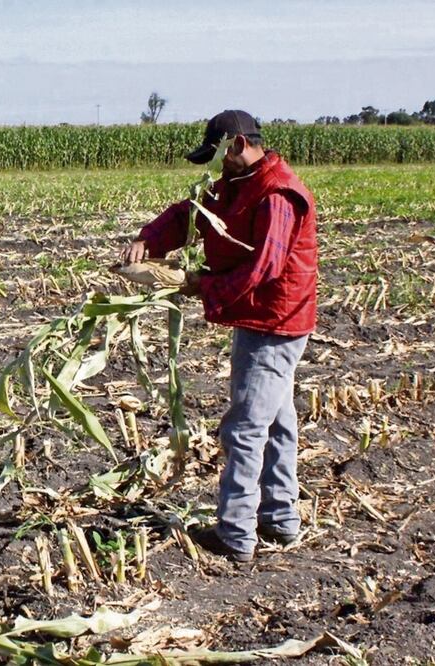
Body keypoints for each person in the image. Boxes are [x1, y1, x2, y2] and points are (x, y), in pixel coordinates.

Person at [122, 110, 318, 563]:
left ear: (237, 145)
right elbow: (191, 215)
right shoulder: (241, 184)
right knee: (277, 421)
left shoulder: (276, 195)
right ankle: (281, 520)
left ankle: (235, 534)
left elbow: (263, 269)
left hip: (275, 321)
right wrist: (148, 241)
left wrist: (199, 285)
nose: (217, 168)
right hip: (265, 318)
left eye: (219, 156)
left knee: (246, 427)